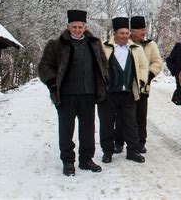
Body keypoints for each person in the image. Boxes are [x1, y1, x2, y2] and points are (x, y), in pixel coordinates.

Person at [38, 10, 108, 176]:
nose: (77, 29)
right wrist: (53, 84)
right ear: (68, 26)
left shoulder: (94, 44)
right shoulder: (56, 45)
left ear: (85, 27)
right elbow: (44, 67)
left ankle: (86, 159)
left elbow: (104, 65)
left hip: (88, 94)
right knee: (66, 129)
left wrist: (104, 80)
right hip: (66, 94)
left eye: (80, 27)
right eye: (74, 26)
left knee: (88, 128)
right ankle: (68, 161)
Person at [98, 17, 148, 164]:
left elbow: (143, 67)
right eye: (122, 33)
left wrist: (142, 81)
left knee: (131, 123)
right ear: (115, 33)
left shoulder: (136, 49)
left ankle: (133, 151)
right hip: (109, 93)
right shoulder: (104, 48)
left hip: (128, 93)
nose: (125, 36)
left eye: (127, 33)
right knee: (107, 124)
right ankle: (107, 152)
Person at [114, 16, 163, 154]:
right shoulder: (125, 44)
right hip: (126, 88)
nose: (143, 32)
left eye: (144, 29)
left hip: (143, 87)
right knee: (122, 116)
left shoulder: (150, 45)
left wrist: (148, 76)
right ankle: (118, 142)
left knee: (140, 116)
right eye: (141, 30)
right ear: (132, 31)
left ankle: (141, 142)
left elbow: (157, 62)